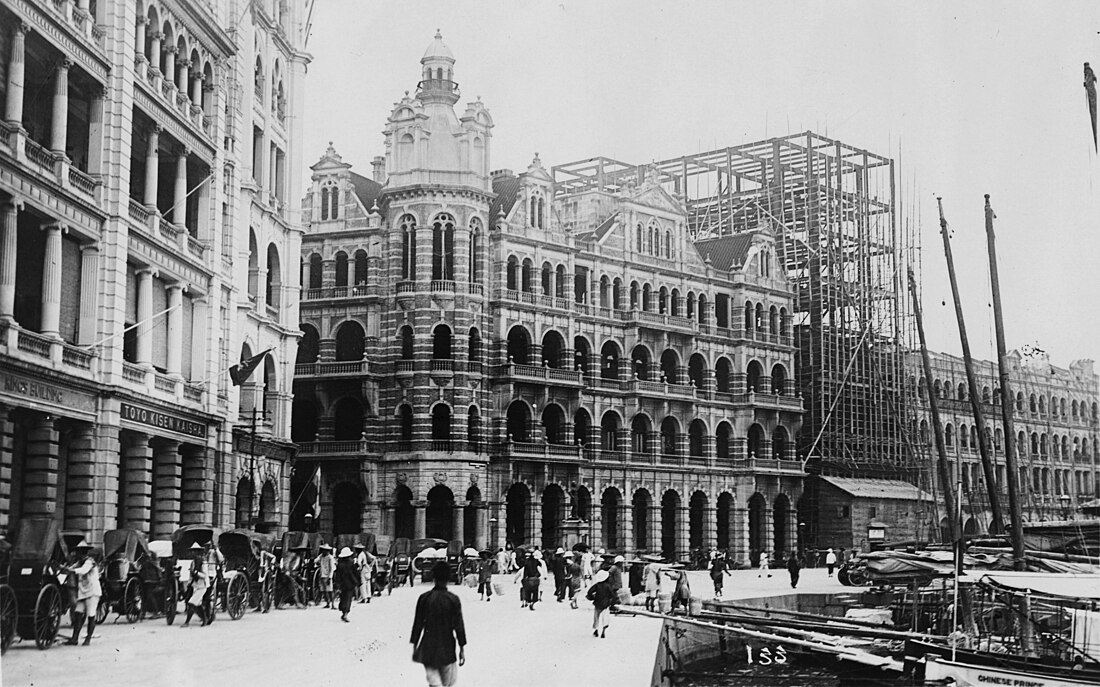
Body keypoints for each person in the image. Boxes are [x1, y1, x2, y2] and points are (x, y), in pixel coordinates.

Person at [410, 561, 467, 687]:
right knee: (447, 683)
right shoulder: (453, 599)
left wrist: (414, 645)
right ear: (448, 578)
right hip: (447, 648)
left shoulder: (424, 598)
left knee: (434, 683)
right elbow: (459, 626)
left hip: (428, 648)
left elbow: (418, 624)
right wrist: (462, 648)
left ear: (433, 577)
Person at [64, 540, 101, 646]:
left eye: (79, 552)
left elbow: (83, 570)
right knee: (78, 614)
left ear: (83, 552)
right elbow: (71, 568)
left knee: (91, 614)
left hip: (92, 592)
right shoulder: (79, 562)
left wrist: (71, 571)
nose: (77, 554)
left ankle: (88, 639)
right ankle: (74, 638)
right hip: (83, 591)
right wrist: (64, 569)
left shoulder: (90, 561)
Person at [183, 550, 209, 627]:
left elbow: (205, 575)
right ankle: (205, 619)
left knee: (191, 603)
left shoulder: (203, 563)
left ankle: (187, 622)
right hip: (195, 586)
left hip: (202, 586)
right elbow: (191, 575)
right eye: (192, 551)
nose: (193, 553)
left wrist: (196, 573)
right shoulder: (193, 563)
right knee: (197, 604)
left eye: (195, 552)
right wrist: (189, 583)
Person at [586, 569, 615, 638]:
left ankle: (596, 630)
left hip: (597, 603)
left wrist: (592, 597)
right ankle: (603, 631)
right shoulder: (608, 586)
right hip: (605, 603)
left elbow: (589, 592)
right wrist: (611, 602)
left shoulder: (597, 585)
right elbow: (612, 595)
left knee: (596, 617)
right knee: (605, 617)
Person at [335, 547, 358, 622]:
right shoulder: (351, 564)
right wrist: (357, 582)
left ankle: (343, 612)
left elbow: (337, 576)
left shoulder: (340, 565)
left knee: (343, 598)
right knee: (348, 599)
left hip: (342, 584)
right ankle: (345, 613)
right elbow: (356, 574)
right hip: (350, 584)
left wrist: (337, 585)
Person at [317, 544, 335, 609]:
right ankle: (327, 603)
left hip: (327, 576)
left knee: (330, 590)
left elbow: (332, 568)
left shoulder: (330, 557)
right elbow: (316, 560)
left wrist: (330, 577)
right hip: (322, 575)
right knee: (324, 590)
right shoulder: (321, 556)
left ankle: (332, 604)